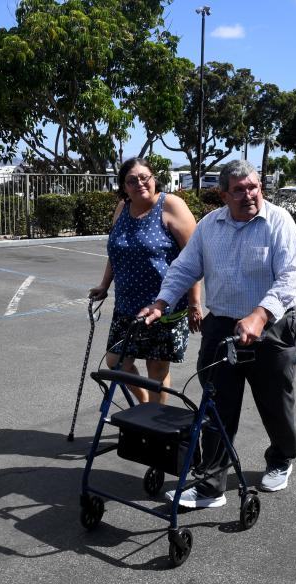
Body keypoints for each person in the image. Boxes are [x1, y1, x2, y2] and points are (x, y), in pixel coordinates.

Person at [138, 159, 296, 507]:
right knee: (215, 406)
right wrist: (162, 302)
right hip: (222, 325)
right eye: (239, 190)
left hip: (270, 326)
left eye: (254, 187)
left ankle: (280, 458)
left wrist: (259, 314)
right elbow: (185, 268)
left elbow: (289, 279)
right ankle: (211, 484)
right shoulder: (210, 226)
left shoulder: (279, 223)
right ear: (224, 194)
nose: (249, 195)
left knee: (274, 402)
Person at [89, 158, 202, 404]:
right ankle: (146, 405)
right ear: (124, 186)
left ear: (153, 179)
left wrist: (195, 303)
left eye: (144, 177)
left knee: (157, 371)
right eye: (132, 180)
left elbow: (193, 258)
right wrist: (104, 285)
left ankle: (154, 426)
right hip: (127, 305)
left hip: (165, 305)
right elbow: (116, 252)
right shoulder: (122, 208)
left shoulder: (171, 205)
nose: (139, 183)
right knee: (116, 362)